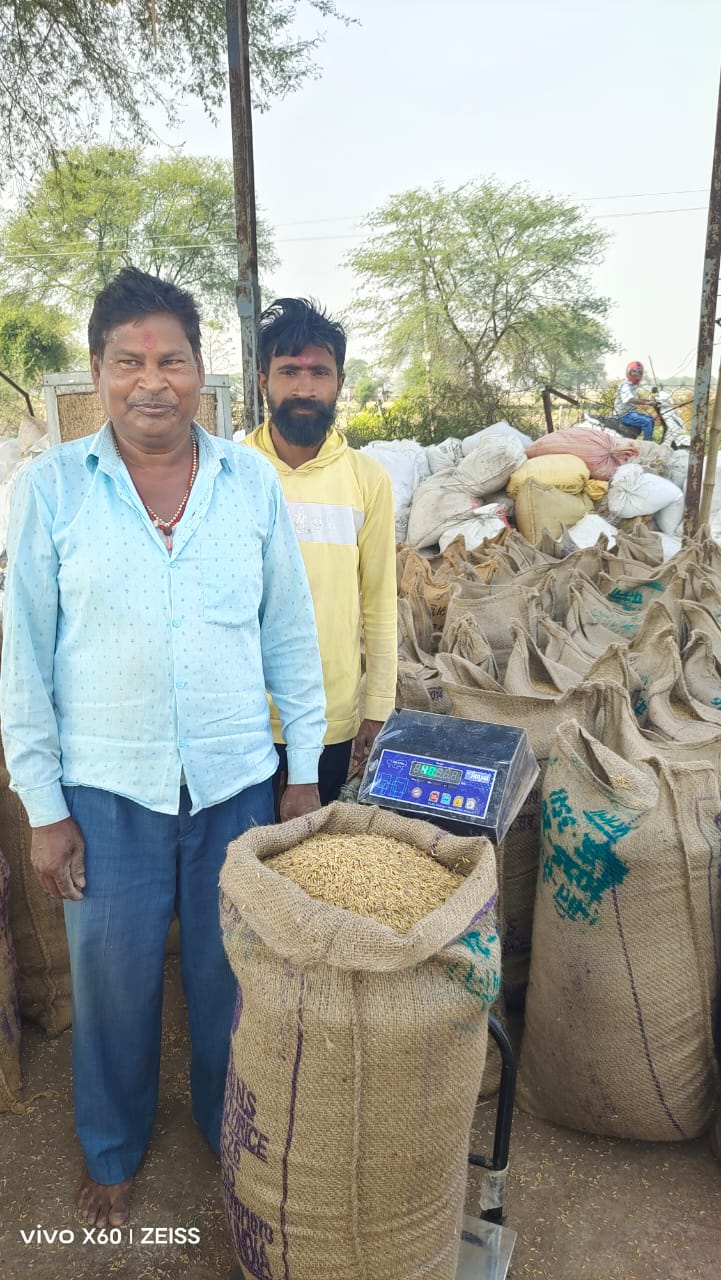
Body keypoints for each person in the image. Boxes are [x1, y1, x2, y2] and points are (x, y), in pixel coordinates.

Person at [0, 268, 326, 1228]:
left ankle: (231, 1130)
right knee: (113, 987)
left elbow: (290, 637)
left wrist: (301, 777)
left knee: (232, 983)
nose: (153, 381)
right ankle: (111, 1146)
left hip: (235, 785)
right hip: (107, 791)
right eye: (128, 361)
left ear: (200, 371)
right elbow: (23, 659)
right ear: (97, 374)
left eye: (172, 360)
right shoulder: (52, 488)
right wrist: (45, 809)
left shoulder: (248, 481)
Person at [245, 297, 397, 804]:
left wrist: (377, 706)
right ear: (263, 381)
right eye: (289, 371)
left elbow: (379, 602)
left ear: (338, 383)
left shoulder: (366, 480)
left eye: (319, 372)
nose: (304, 388)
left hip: (331, 718)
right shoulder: (229, 471)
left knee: (311, 866)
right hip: (241, 718)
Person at [614, 360, 655, 440]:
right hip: (624, 414)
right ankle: (648, 443)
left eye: (639, 373)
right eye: (634, 373)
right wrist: (648, 403)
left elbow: (636, 399)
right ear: (629, 373)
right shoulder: (626, 385)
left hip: (630, 413)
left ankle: (647, 439)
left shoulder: (630, 385)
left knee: (651, 419)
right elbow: (631, 399)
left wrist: (649, 401)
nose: (637, 376)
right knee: (647, 421)